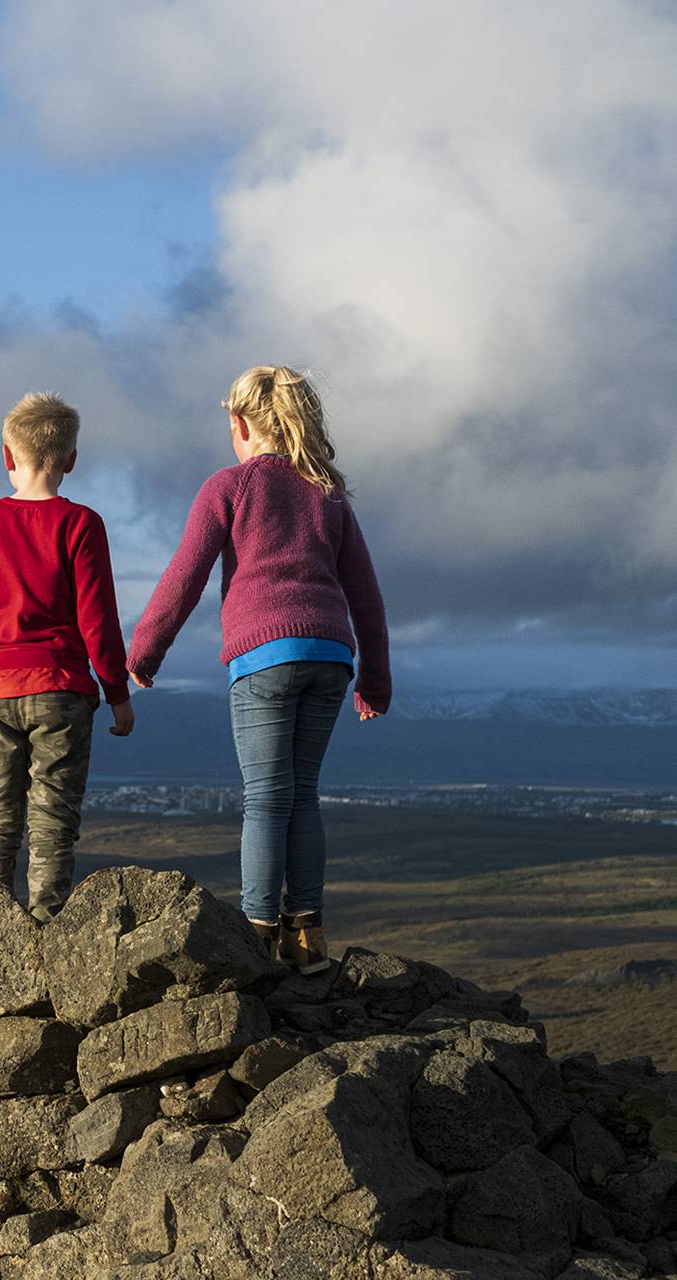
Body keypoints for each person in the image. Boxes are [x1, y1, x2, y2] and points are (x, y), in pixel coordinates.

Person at [126, 365, 390, 973]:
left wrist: (144, 652)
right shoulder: (329, 496)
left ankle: (257, 936)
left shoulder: (231, 486)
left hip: (265, 656)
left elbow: (184, 576)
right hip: (330, 657)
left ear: (240, 425)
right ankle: (307, 938)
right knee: (303, 796)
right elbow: (367, 596)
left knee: (266, 799)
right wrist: (375, 678)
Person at [0, 392, 136, 921]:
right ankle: (47, 932)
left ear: (6, 455)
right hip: (62, 691)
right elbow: (98, 618)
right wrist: (117, 693)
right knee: (52, 821)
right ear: (70, 458)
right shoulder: (82, 524)